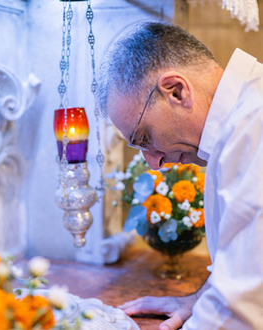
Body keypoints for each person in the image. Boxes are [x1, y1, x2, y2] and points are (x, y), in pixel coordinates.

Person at [96, 22, 263, 330]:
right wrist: (201, 297)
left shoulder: (254, 127)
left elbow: (240, 314)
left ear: (176, 91)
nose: (154, 163)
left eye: (144, 138)